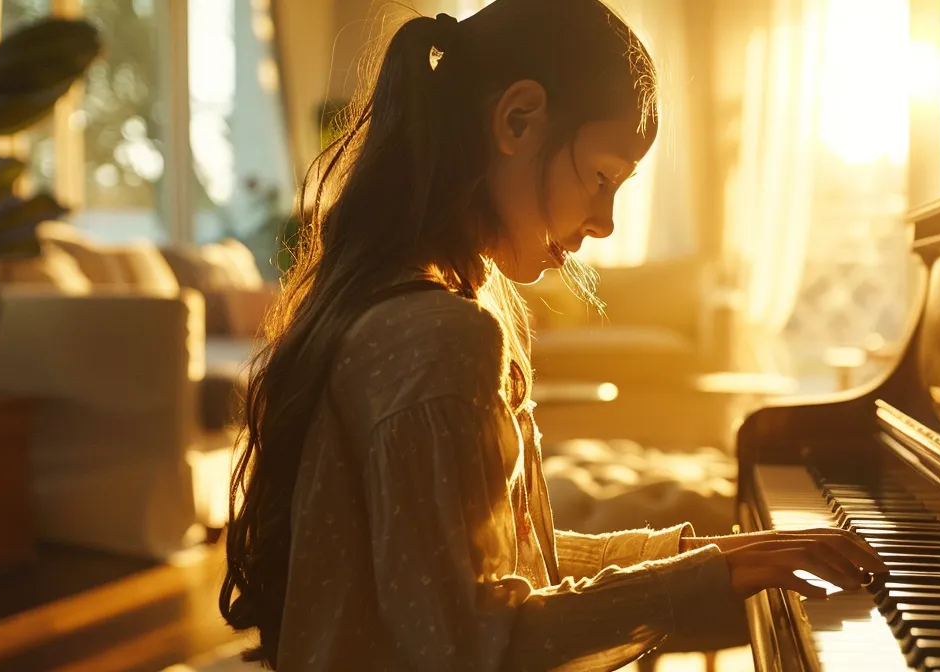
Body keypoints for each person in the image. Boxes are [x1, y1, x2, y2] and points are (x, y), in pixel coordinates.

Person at [218, 2, 886, 670]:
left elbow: (504, 562)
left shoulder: (399, 298)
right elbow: (480, 646)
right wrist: (704, 580)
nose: (606, 222)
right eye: (602, 177)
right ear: (517, 120)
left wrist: (708, 556)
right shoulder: (439, 333)